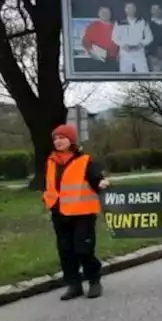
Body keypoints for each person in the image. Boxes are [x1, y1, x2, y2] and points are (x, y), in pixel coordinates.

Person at [42, 124, 110, 300]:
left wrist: (101, 183)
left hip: (82, 213)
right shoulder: (51, 161)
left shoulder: (85, 160)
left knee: (83, 249)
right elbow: (50, 185)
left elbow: (97, 179)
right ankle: (74, 285)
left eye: (62, 138)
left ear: (71, 140)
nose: (58, 141)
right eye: (55, 138)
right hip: (59, 213)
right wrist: (48, 200)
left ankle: (94, 281)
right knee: (66, 251)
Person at [112, 2, 152, 73]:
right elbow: (114, 37)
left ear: (135, 10)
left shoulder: (142, 21)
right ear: (125, 10)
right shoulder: (119, 22)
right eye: (128, 8)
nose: (130, 10)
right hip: (125, 53)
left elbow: (149, 37)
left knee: (144, 74)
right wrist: (123, 45)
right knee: (125, 76)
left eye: (132, 8)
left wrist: (142, 44)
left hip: (139, 52)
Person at [80, 6, 119, 72]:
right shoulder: (93, 26)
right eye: (103, 12)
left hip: (112, 60)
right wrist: (92, 52)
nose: (105, 14)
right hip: (97, 60)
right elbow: (85, 41)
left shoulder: (116, 27)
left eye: (107, 12)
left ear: (110, 14)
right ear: (99, 14)